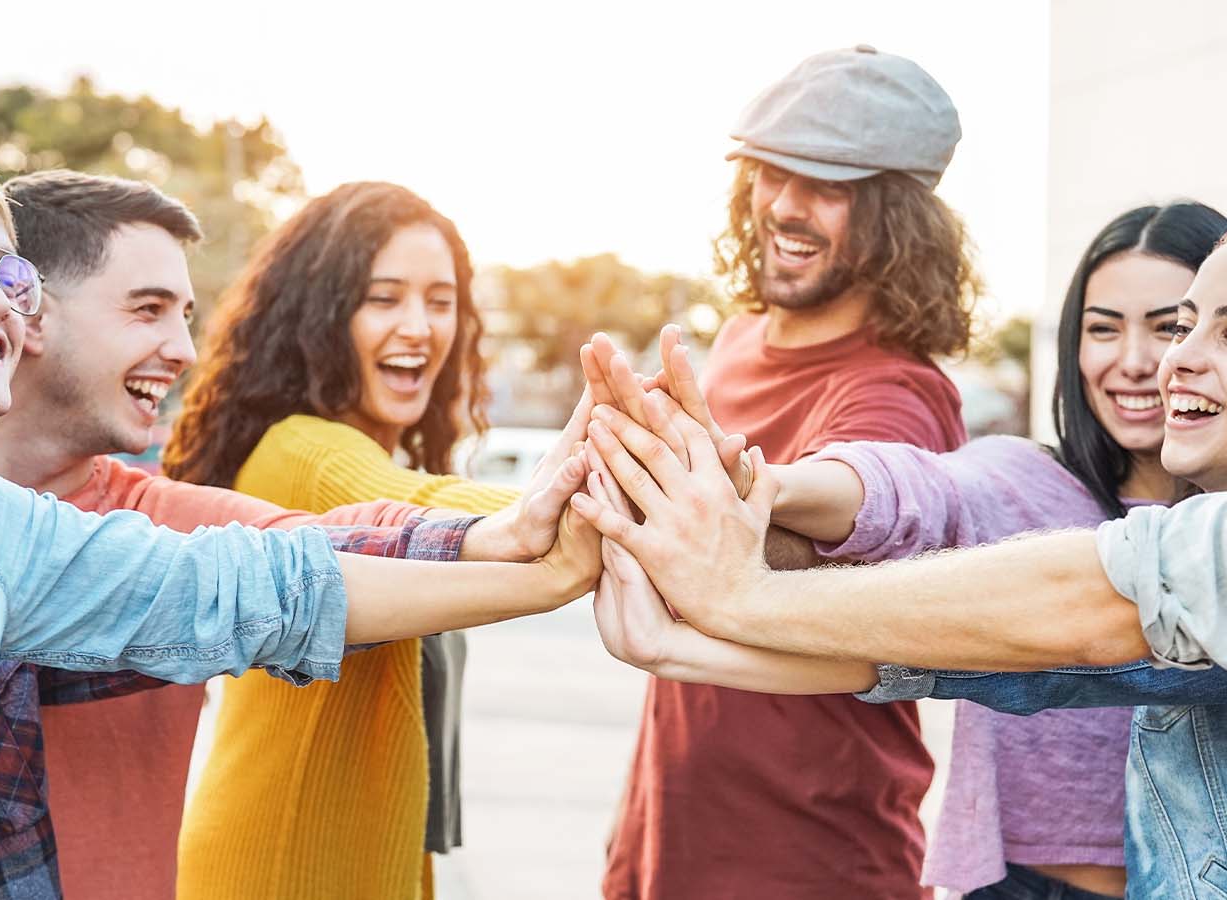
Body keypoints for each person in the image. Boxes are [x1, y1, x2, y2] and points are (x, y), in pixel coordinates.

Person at [0, 50, 601, 900]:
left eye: (7, 274)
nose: (182, 349)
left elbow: (255, 579)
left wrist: (520, 541)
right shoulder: (292, 448)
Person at [583, 200, 1225, 899]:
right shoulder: (1024, 478)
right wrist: (771, 485)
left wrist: (737, 600)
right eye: (1106, 328)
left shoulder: (1198, 550)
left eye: (1171, 327)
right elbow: (919, 502)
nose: (1148, 361)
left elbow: (1087, 618)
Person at [600, 45, 978, 900]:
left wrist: (745, 502)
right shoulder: (732, 342)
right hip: (667, 836)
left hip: (814, 857)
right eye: (769, 174)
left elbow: (857, 497)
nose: (784, 206)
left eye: (827, 186)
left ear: (896, 218)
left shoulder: (898, 392)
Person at [165, 181, 562, 899]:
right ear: (320, 315)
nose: (419, 326)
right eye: (384, 298)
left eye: (440, 302)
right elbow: (428, 508)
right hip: (282, 868)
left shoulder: (360, 457)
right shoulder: (306, 453)